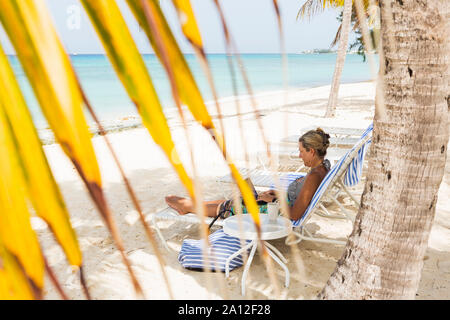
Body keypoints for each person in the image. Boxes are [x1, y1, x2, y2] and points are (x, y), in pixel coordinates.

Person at [165, 128, 331, 222]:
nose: (299, 155)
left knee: (231, 207)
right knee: (239, 196)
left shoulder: (314, 176)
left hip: (278, 212)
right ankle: (195, 204)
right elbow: (301, 198)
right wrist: (277, 195)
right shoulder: (323, 167)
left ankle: (187, 207)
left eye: (302, 151)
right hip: (280, 203)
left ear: (312, 151)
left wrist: (273, 200)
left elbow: (295, 214)